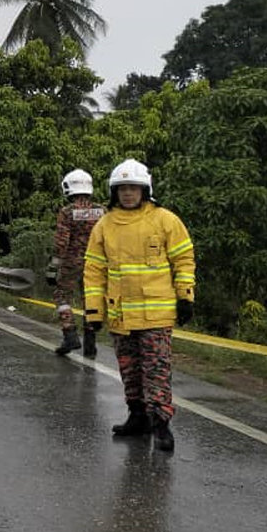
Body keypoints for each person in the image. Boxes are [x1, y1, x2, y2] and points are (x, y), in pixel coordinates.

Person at [83, 159, 195, 452]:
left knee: (156, 370)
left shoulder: (165, 220)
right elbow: (94, 271)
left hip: (156, 315)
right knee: (129, 370)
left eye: (133, 188)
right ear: (114, 192)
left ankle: (161, 424)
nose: (128, 194)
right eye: (122, 189)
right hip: (121, 315)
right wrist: (94, 311)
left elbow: (183, 260)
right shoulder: (104, 225)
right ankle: (138, 417)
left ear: (144, 190)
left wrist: (185, 296)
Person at [48, 169, 105, 357]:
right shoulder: (101, 211)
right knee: (90, 299)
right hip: (96, 262)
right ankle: (91, 344)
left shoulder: (67, 212)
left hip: (72, 262)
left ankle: (70, 334)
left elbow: (61, 242)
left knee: (61, 295)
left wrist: (53, 267)